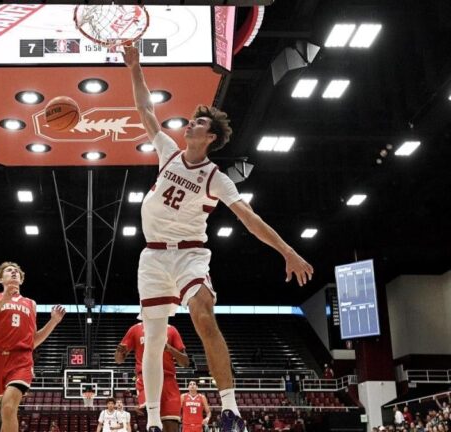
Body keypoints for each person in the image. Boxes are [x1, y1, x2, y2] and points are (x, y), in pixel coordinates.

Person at [122, 44, 314, 432]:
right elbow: (146, 111)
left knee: (203, 315)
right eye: (192, 121)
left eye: (197, 123)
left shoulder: (216, 178)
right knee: (153, 340)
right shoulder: (169, 153)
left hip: (190, 255)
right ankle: (155, 422)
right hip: (153, 258)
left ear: (209, 137)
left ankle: (231, 410)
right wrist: (135, 66)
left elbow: (248, 217)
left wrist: (288, 251)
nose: (189, 124)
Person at [0, 262, 66, 432]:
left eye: (17, 271)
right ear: (1, 278)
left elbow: (32, 341)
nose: (14, 272)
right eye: (9, 270)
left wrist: (53, 322)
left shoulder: (31, 303)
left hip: (20, 360)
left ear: (21, 280)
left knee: (8, 408)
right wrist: (4, 301)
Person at [115, 323, 189, 432]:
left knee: (171, 427)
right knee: (153, 420)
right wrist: (120, 353)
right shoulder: (136, 329)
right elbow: (118, 360)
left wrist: (169, 348)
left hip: (168, 381)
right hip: (146, 379)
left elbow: (185, 362)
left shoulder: (171, 330)